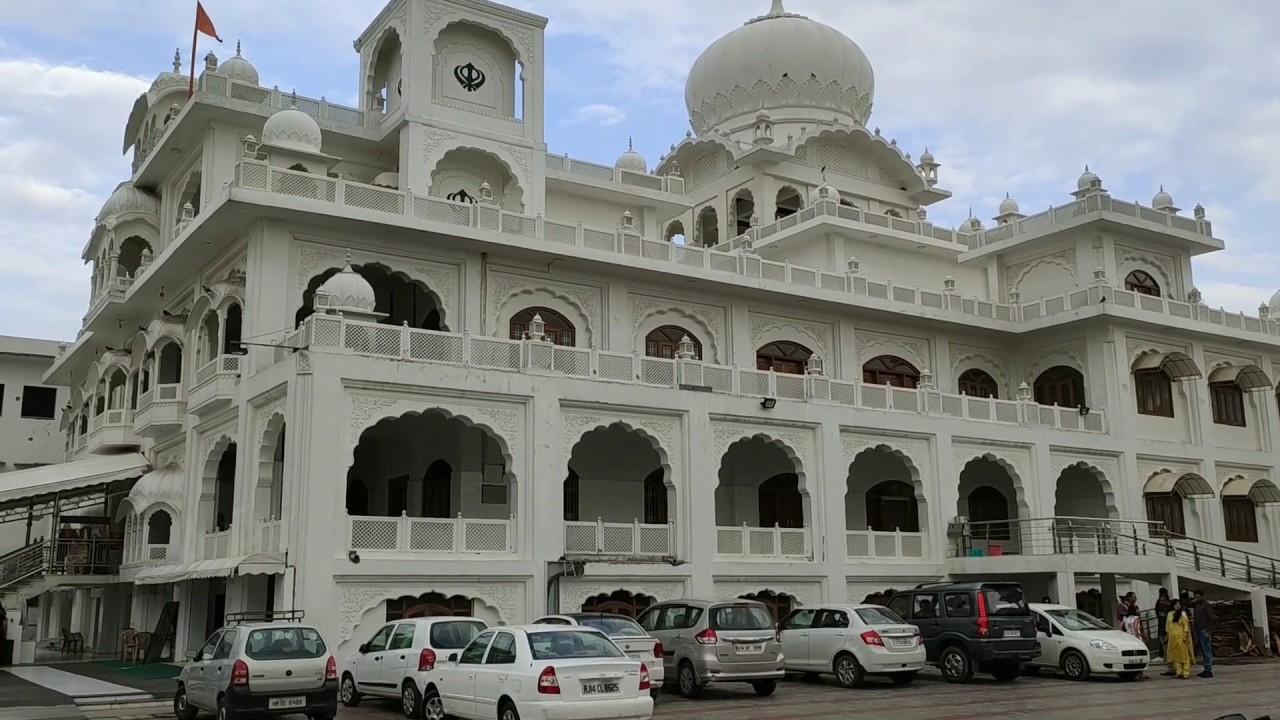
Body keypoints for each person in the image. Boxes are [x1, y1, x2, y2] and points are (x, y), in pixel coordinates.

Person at [1165, 598, 1193, 679]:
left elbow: (1186, 626)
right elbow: (1167, 626)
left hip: (1180, 637)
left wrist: (1184, 636)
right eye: (1176, 604)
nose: (1177, 605)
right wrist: (1167, 635)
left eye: (1179, 604)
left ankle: (1186, 672)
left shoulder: (1183, 614)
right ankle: (1179, 671)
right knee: (1175, 656)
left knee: (1184, 656)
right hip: (1172, 638)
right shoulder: (1170, 614)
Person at [1121, 603, 1149, 679]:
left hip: (1128, 637)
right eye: (1137, 609)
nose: (1138, 611)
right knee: (1140, 654)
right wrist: (1138, 635)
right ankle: (1141, 673)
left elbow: (1121, 626)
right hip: (1136, 637)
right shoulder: (1136, 618)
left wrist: (1126, 632)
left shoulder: (1125, 618)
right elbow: (1136, 627)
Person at [1192, 589, 1214, 678]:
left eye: (1198, 597)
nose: (1196, 599)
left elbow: (1211, 618)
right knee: (1203, 651)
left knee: (1206, 650)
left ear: (1202, 597)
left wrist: (1208, 629)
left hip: (1204, 630)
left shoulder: (1206, 606)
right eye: (1195, 597)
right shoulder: (1197, 606)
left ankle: (1208, 669)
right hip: (1198, 630)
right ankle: (1206, 668)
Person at [1154, 587, 1172, 658]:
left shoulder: (1167, 602)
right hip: (1162, 621)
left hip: (1166, 621)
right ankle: (1163, 653)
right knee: (1162, 637)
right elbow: (1157, 612)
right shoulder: (1160, 602)